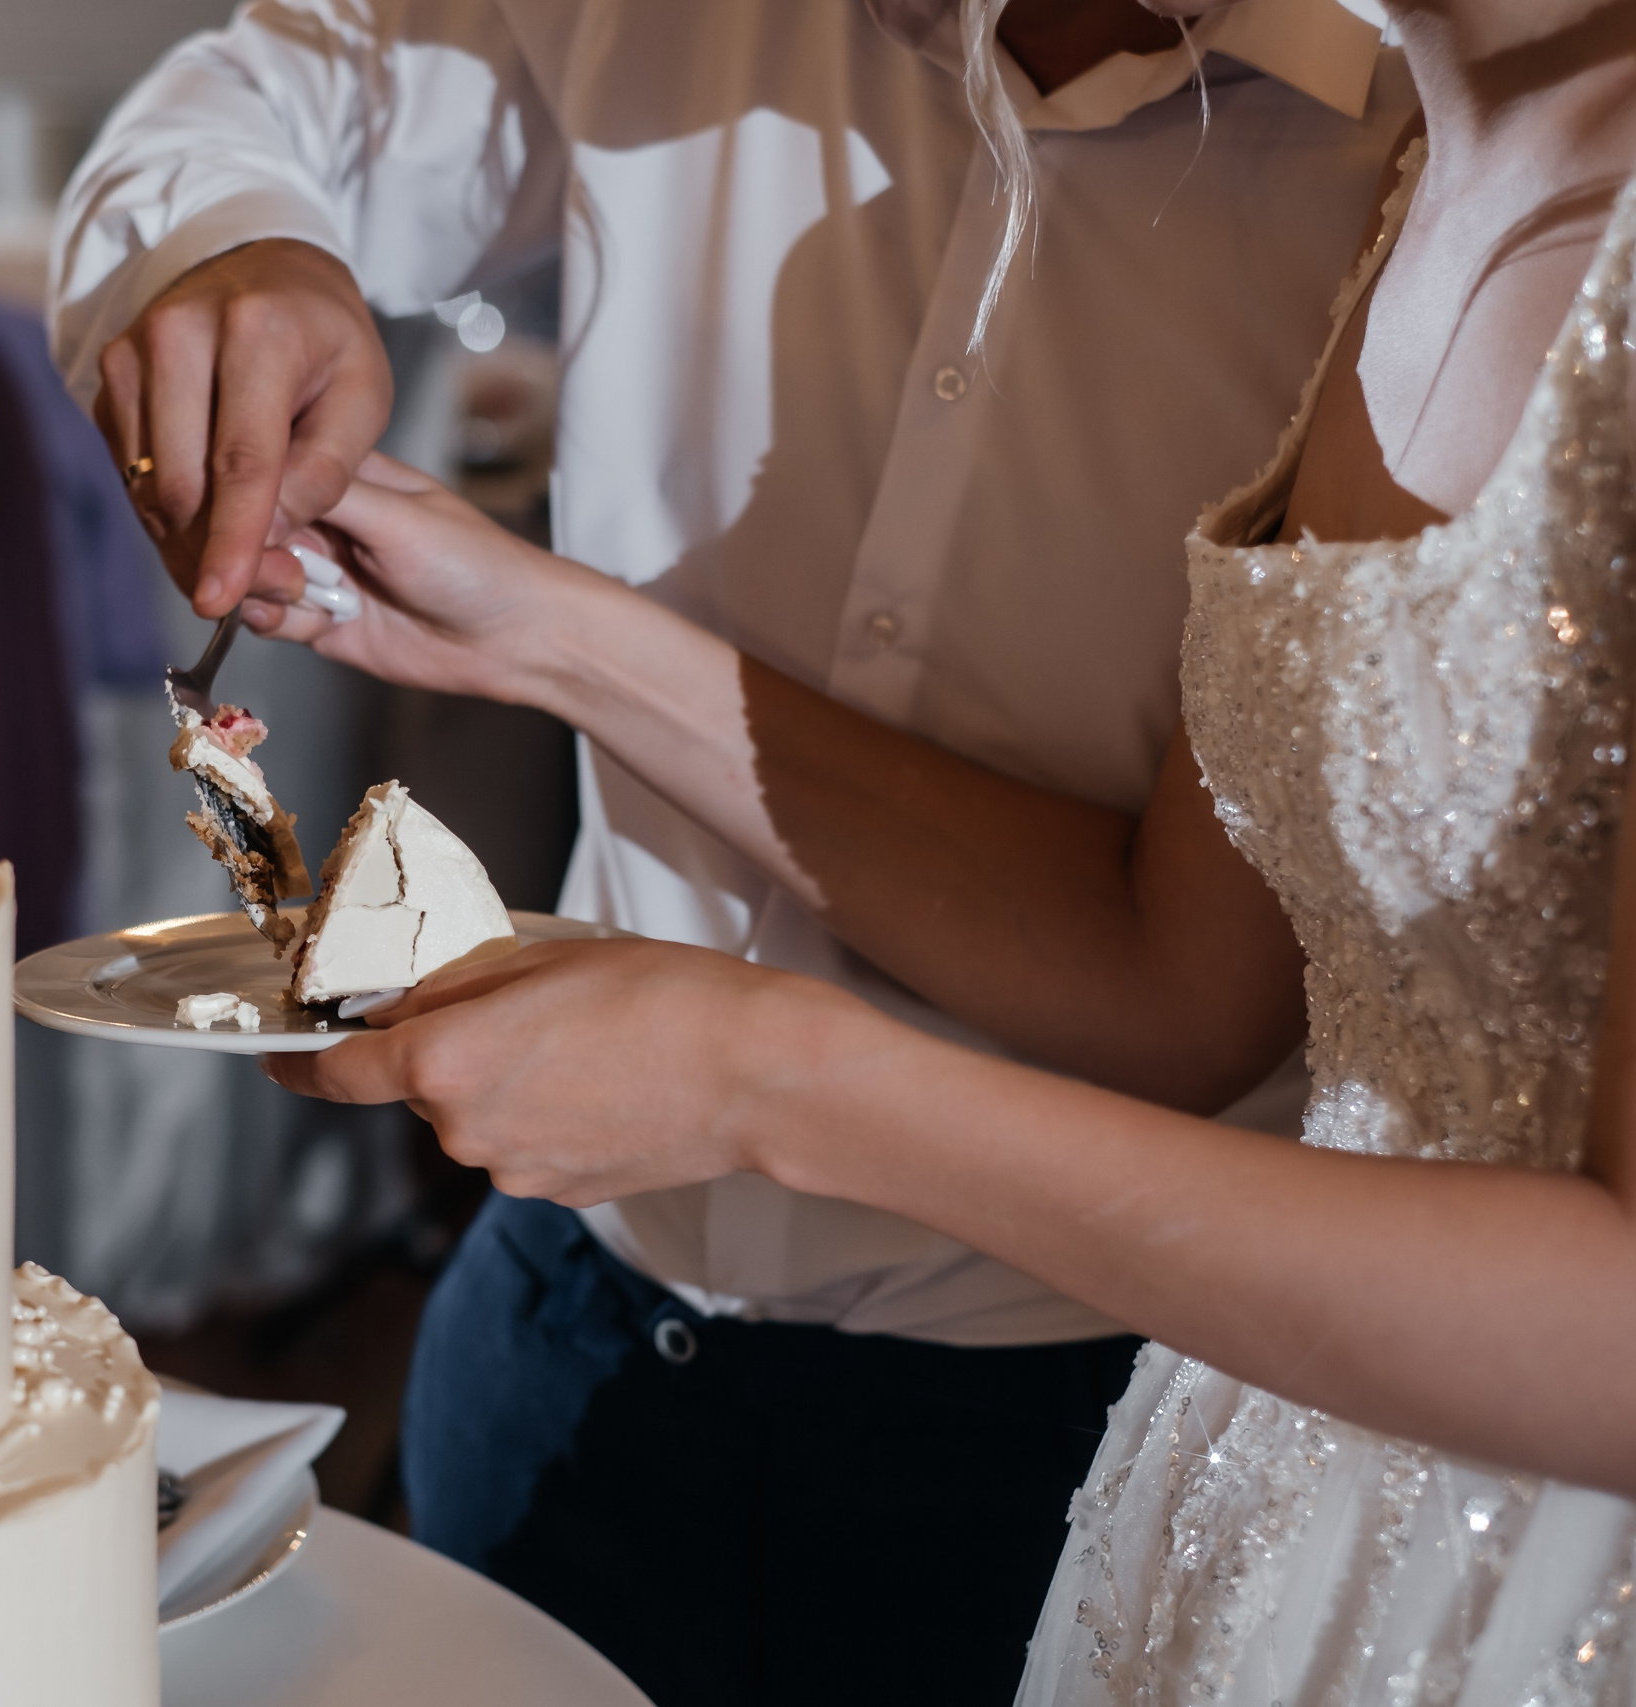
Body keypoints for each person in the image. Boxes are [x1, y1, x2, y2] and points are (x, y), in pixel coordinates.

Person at [261, 0, 1636, 1697]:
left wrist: (775, 1077)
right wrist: (539, 633)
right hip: (1234, 1530)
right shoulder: (1431, 161)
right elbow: (1166, 979)